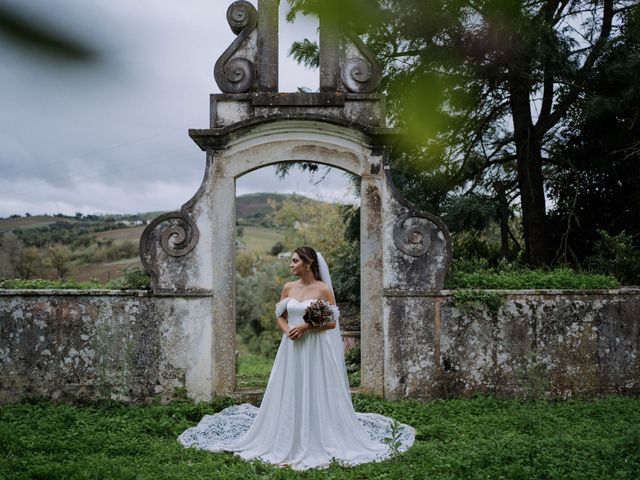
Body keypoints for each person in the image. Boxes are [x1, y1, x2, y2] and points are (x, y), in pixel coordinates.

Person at [177, 246, 415, 470]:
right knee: (289, 387)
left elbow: (332, 322)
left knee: (315, 387)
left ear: (308, 263)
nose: (291, 265)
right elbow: (279, 315)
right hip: (291, 347)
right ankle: (286, 435)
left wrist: (305, 327)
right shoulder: (289, 287)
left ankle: (316, 434)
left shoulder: (323, 289)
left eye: (295, 261)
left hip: (314, 348)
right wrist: (287, 330)